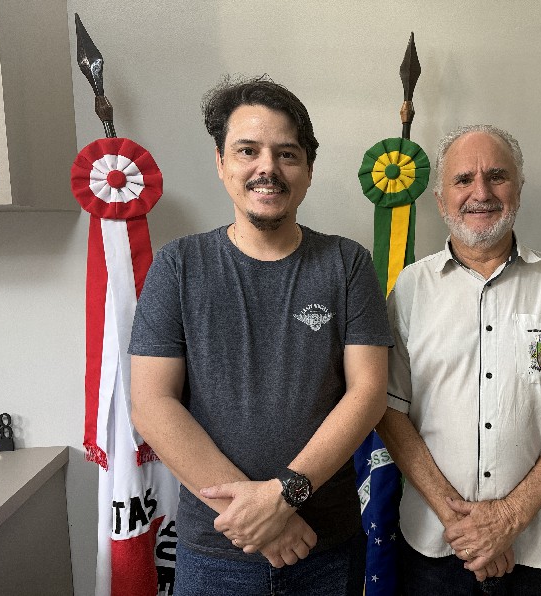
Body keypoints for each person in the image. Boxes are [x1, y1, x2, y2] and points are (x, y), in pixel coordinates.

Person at [129, 76, 393, 596]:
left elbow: (368, 393)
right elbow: (152, 404)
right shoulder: (178, 265)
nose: (267, 167)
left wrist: (284, 496)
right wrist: (261, 520)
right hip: (215, 552)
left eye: (287, 153)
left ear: (309, 170)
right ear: (221, 162)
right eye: (247, 150)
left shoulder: (348, 264)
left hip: (326, 547)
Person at [375, 124, 541, 595]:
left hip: (539, 550)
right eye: (463, 179)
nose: (481, 192)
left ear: (518, 190)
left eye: (496, 177)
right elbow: (389, 413)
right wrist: (464, 525)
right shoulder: (411, 289)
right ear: (440, 199)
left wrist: (509, 518)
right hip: (436, 548)